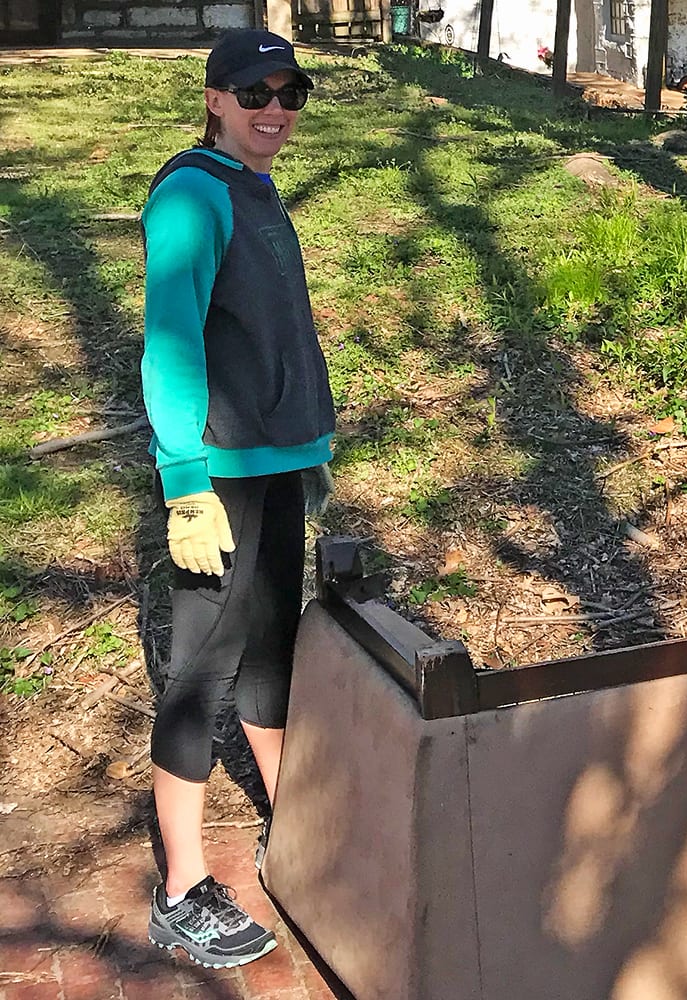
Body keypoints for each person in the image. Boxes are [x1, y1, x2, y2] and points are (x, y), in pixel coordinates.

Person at [139, 28, 334, 966]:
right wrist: (184, 481)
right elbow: (171, 340)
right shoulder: (191, 193)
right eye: (254, 89)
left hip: (274, 462)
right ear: (214, 97)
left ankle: (294, 831)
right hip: (219, 474)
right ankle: (179, 888)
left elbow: (269, 334)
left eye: (291, 92)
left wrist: (309, 446)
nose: (275, 108)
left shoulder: (255, 189)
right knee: (201, 674)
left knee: (272, 659)